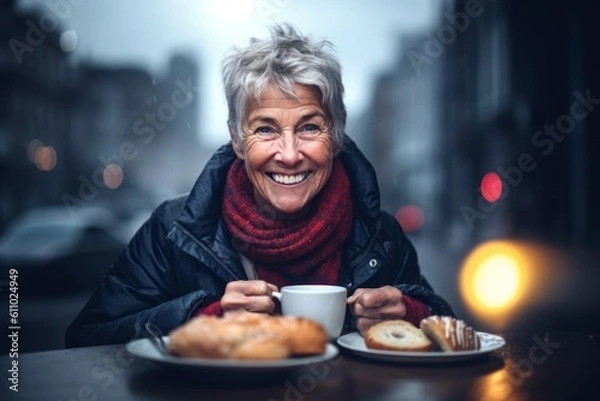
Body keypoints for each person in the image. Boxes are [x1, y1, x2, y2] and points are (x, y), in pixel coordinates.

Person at [65, 24, 454, 348]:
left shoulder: (380, 235)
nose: (288, 154)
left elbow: (451, 332)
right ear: (236, 139)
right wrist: (205, 318)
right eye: (265, 129)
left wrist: (408, 313)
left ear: (336, 134)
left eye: (309, 127)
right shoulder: (173, 231)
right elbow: (87, 340)